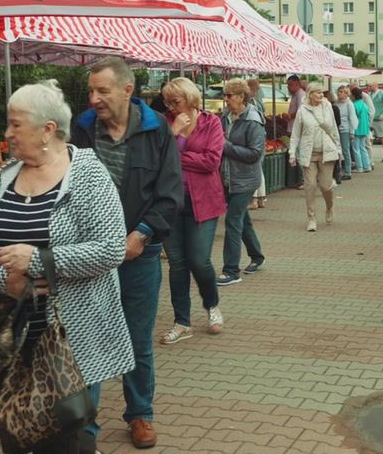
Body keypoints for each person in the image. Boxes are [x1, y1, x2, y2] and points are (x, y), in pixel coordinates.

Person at [0, 80, 133, 454]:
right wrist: (3, 279)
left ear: (47, 130)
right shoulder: (5, 176)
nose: (6, 133)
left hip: (70, 333)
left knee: (69, 431)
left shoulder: (88, 175)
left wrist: (40, 260)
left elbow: (110, 249)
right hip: (14, 330)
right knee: (16, 426)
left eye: (15, 124)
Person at [70, 57, 181, 450]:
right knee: (88, 341)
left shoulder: (156, 131)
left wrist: (142, 235)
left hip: (140, 256)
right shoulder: (81, 129)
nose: (94, 98)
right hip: (90, 260)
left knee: (137, 341)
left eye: (102, 90)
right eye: (90, 91)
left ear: (127, 91)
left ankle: (140, 415)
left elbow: (169, 194)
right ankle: (86, 428)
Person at [160, 77, 226, 344]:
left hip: (205, 202)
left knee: (199, 260)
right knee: (177, 264)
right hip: (171, 204)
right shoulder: (165, 123)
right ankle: (181, 321)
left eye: (176, 101)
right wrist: (174, 134)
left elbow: (212, 161)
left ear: (190, 98)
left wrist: (177, 152)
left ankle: (212, 306)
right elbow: (159, 159)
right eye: (168, 102)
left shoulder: (212, 123)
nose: (172, 107)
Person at [218, 79, 266, 286]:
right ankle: (257, 256)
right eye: (225, 95)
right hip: (229, 178)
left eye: (229, 95)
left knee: (233, 221)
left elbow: (255, 154)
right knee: (242, 219)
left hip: (246, 180)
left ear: (241, 97)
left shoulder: (253, 120)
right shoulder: (225, 117)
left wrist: (225, 146)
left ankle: (231, 270)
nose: (226, 99)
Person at [289, 85, 341, 232]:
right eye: (318, 92)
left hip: (327, 152)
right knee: (310, 186)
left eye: (322, 92)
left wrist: (339, 148)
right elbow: (296, 134)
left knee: (326, 186)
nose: (321, 95)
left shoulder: (327, 106)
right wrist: (292, 153)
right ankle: (311, 218)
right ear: (310, 94)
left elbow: (333, 129)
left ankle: (330, 207)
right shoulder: (302, 110)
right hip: (309, 154)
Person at [246, 80, 268, 210]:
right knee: (259, 169)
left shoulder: (251, 105)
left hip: (254, 141)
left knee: (253, 168)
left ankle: (254, 199)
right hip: (261, 139)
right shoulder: (258, 103)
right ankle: (261, 198)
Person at [335, 86, 357, 181]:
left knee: (345, 151)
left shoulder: (349, 104)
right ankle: (338, 171)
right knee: (337, 151)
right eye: (339, 91)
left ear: (346, 93)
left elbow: (352, 118)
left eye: (341, 92)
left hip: (345, 130)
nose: (339, 93)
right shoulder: (336, 103)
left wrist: (352, 132)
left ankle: (348, 172)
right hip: (336, 129)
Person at [367, 81, 383, 162]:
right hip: (371, 119)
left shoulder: (382, 94)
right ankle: (369, 156)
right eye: (369, 86)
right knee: (370, 138)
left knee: (382, 137)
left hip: (379, 119)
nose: (369, 88)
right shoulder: (369, 95)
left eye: (370, 86)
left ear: (375, 86)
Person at [350, 87, 372, 174]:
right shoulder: (364, 104)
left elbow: (352, 119)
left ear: (354, 96)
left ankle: (359, 167)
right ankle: (367, 166)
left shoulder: (354, 105)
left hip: (356, 130)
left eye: (351, 94)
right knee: (363, 148)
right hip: (364, 129)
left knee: (356, 149)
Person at [359, 86, 376, 168]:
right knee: (363, 145)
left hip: (364, 126)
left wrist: (369, 124)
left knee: (366, 145)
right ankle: (366, 163)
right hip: (362, 126)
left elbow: (371, 111)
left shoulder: (364, 97)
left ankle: (369, 163)